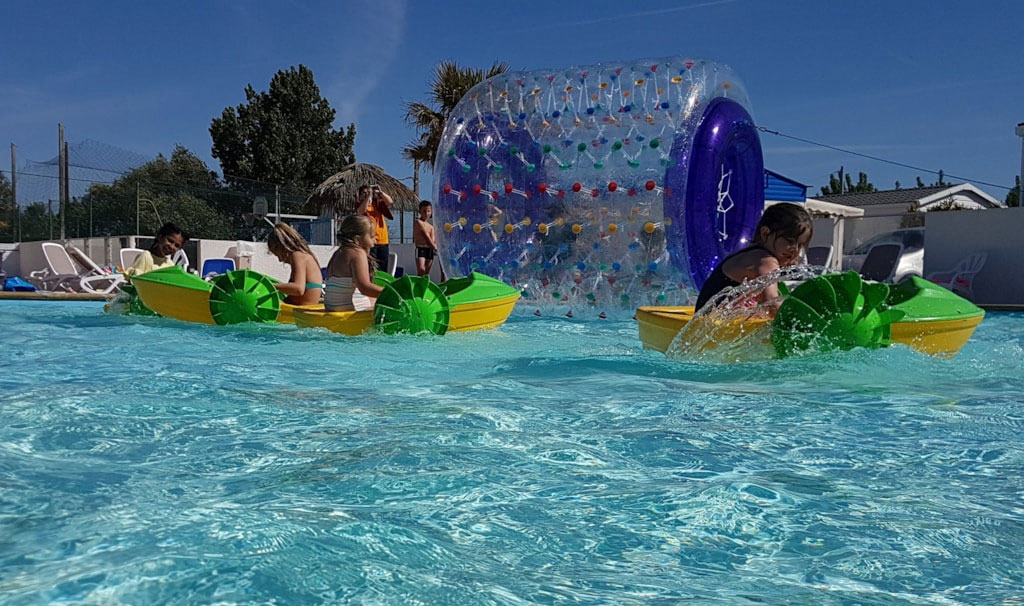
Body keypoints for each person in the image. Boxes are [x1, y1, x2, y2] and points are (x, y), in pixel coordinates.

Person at [694, 202, 813, 313]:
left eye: (800, 245)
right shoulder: (766, 260)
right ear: (765, 233)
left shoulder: (750, 255)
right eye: (790, 241)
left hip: (704, 323)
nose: (795, 249)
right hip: (710, 327)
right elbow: (772, 304)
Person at [323, 215, 384, 312]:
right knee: (386, 304)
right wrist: (392, 292)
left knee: (374, 299)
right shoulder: (357, 253)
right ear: (357, 239)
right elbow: (365, 288)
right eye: (372, 237)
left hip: (332, 309)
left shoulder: (338, 253)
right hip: (349, 310)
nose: (375, 241)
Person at [266, 223, 323, 306]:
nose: (280, 260)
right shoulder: (306, 255)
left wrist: (271, 286)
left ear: (283, 247)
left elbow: (298, 289)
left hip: (299, 311)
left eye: (277, 254)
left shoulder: (297, 255)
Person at [355, 184, 394, 272]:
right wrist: (367, 198)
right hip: (369, 241)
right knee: (371, 268)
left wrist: (381, 192)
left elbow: (390, 202)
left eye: (368, 192)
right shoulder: (359, 204)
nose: (366, 194)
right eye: (364, 193)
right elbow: (360, 212)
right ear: (360, 195)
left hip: (383, 240)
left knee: (383, 268)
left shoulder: (377, 203)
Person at [413, 200, 439, 277]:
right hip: (421, 249)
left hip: (430, 250)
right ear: (420, 211)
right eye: (424, 211)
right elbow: (426, 235)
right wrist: (434, 246)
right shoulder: (418, 222)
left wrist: (434, 247)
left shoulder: (431, 227)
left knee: (426, 273)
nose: (426, 213)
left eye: (428, 211)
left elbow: (432, 238)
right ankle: (418, 286)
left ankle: (424, 287)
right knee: (421, 270)